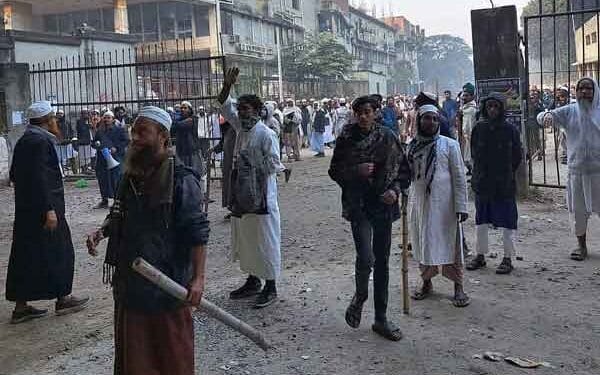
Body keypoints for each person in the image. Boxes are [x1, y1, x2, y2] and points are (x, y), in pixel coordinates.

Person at [86, 106, 209, 375]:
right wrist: (103, 231)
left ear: (163, 136)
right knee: (136, 360)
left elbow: (196, 230)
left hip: (167, 284)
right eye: (134, 132)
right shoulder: (129, 177)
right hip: (131, 285)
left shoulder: (182, 179)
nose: (135, 138)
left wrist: (198, 278)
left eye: (143, 132)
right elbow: (120, 214)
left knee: (171, 357)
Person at [329, 95, 410, 342]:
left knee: (383, 261)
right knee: (366, 257)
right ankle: (360, 295)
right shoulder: (346, 138)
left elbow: (404, 172)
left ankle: (381, 318)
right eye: (358, 112)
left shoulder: (387, 137)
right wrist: (356, 171)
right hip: (359, 205)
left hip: (383, 206)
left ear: (375, 112)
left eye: (367, 111)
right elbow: (334, 170)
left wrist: (394, 192)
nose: (363, 116)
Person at [7, 101, 89, 324]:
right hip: (45, 210)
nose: (57, 122)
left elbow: (15, 175)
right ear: (46, 120)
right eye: (54, 118)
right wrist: (49, 209)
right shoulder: (40, 141)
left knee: (27, 255)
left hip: (28, 211)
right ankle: (64, 298)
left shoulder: (27, 139)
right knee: (60, 251)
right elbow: (40, 178)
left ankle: (21, 306)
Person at [218, 67, 284, 308]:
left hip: (262, 196)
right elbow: (224, 106)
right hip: (242, 194)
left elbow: (274, 164)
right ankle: (252, 280)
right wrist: (227, 85)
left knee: (265, 238)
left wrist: (250, 163)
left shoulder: (266, 134)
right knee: (245, 238)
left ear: (257, 111)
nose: (241, 113)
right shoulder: (239, 128)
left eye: (246, 109)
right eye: (240, 110)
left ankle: (271, 286)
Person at [407, 105, 470, 307]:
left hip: (446, 206)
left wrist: (461, 205)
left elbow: (459, 177)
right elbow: (406, 174)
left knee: (452, 243)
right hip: (421, 205)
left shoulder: (450, 145)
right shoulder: (412, 146)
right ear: (419, 120)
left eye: (435, 119)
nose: (431, 123)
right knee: (424, 242)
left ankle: (458, 286)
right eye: (426, 118)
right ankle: (426, 282)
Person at [540, 77, 600, 261]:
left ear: (594, 91)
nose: (584, 92)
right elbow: (543, 116)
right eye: (581, 88)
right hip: (577, 171)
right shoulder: (570, 111)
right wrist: (546, 117)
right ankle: (581, 247)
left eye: (588, 88)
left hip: (599, 171)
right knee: (578, 211)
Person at [467, 93, 522, 274]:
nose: (492, 110)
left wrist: (505, 173)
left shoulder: (510, 130)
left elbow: (516, 156)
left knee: (507, 220)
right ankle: (480, 255)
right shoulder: (479, 128)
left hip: (503, 182)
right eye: (489, 106)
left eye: (496, 107)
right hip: (483, 181)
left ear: (502, 109)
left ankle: (507, 258)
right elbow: (474, 153)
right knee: (481, 219)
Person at [92, 110, 129, 209]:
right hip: (102, 159)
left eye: (109, 118)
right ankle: (104, 200)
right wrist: (96, 144)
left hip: (115, 157)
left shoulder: (119, 130)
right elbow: (94, 142)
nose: (107, 119)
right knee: (103, 179)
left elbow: (126, 141)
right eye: (105, 117)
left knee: (115, 179)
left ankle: (117, 200)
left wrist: (116, 148)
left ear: (113, 119)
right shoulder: (100, 131)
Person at [171, 101, 206, 193]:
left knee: (196, 173)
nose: (182, 110)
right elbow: (172, 128)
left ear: (190, 109)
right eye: (181, 108)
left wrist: (176, 122)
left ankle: (200, 194)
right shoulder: (179, 120)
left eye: (185, 108)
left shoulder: (193, 119)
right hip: (182, 151)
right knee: (184, 174)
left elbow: (178, 125)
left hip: (192, 151)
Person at [458, 83, 477, 175]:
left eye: (466, 95)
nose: (463, 97)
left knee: (470, 159)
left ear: (472, 96)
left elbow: (469, 129)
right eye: (463, 95)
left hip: (470, 139)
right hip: (465, 139)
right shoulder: (464, 109)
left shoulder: (471, 110)